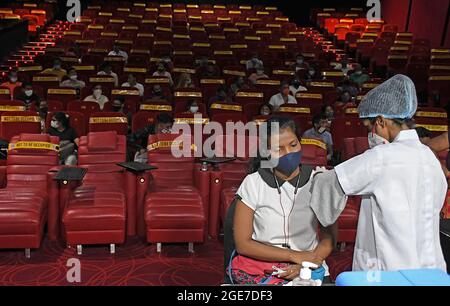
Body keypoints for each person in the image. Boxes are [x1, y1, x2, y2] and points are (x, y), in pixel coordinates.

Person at [310, 75, 447, 272]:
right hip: (431, 268)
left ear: (381, 121)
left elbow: (330, 184)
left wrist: (316, 178)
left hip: (388, 270)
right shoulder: (429, 157)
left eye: (370, 127)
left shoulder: (382, 157)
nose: (370, 134)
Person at [228, 116, 337, 284]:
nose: (288, 153)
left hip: (310, 265)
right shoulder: (253, 182)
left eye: (293, 145)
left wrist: (305, 264)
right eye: (278, 149)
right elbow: (243, 243)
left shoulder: (319, 181)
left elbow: (329, 238)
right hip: (263, 266)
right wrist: (294, 256)